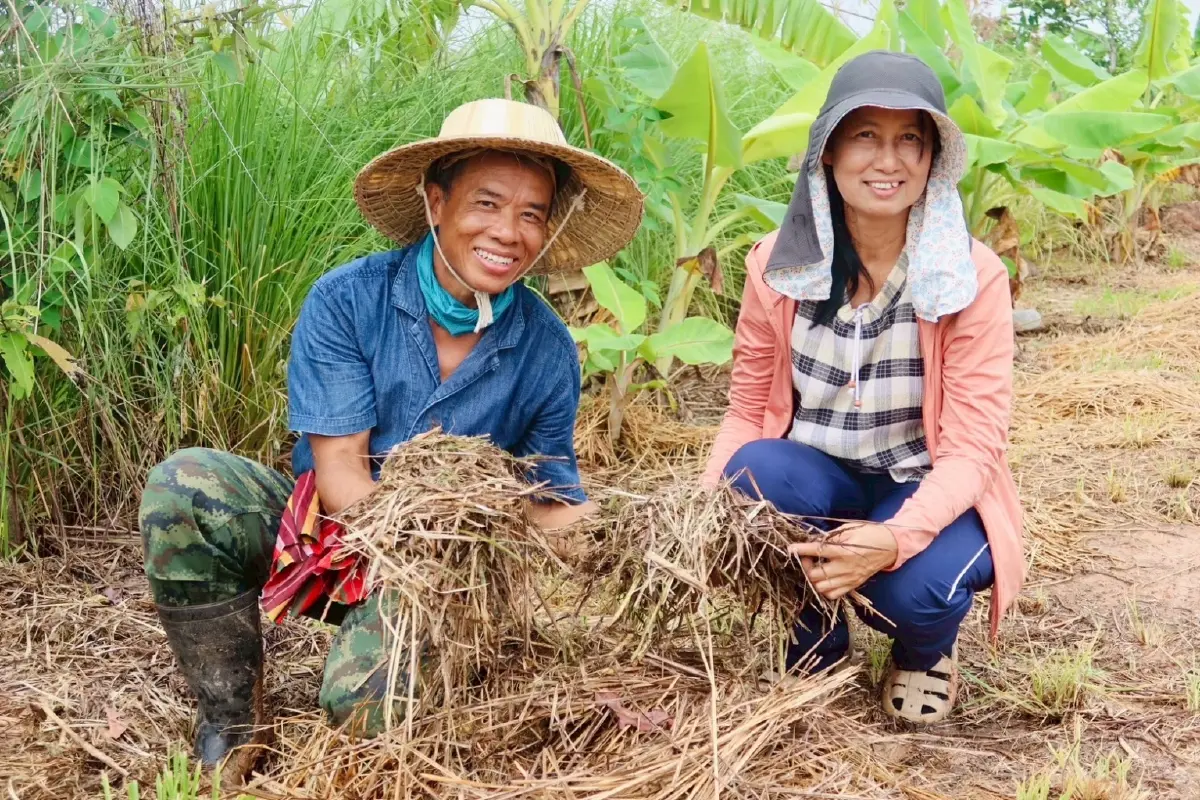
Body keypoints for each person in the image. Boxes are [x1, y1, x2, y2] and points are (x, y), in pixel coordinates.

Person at [138, 98, 644, 782]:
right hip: (328, 535)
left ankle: (411, 659)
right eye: (487, 203)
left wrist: (623, 533)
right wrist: (428, 519)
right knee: (186, 487)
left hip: (441, 571)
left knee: (362, 708)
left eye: (532, 214)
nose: (508, 232)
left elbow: (547, 498)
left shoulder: (547, 348)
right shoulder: (348, 300)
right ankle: (232, 719)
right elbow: (341, 473)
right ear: (436, 202)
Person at [700, 51, 1024, 724]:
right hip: (820, 477)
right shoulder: (776, 267)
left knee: (913, 595)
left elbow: (973, 448)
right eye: (865, 135)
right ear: (828, 151)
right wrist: (701, 510)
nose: (888, 160)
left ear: (933, 158)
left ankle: (924, 652)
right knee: (753, 474)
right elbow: (747, 409)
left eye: (910, 139)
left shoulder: (970, 276)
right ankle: (814, 637)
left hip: (925, 484)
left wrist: (894, 539)